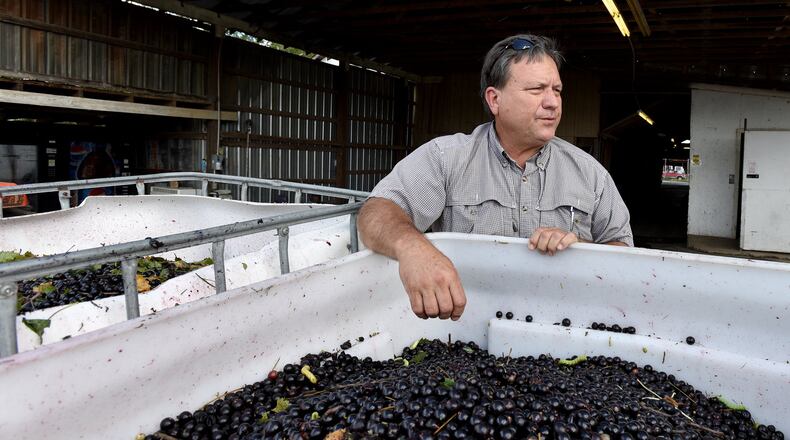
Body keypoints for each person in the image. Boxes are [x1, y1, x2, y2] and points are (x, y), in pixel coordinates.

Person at [358, 34, 633, 322]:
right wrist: (412, 247)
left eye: (557, 90)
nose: (553, 102)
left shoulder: (589, 173)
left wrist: (580, 248)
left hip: (562, 329)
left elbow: (625, 253)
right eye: (537, 89)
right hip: (463, 331)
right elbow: (375, 213)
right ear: (495, 99)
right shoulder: (446, 158)